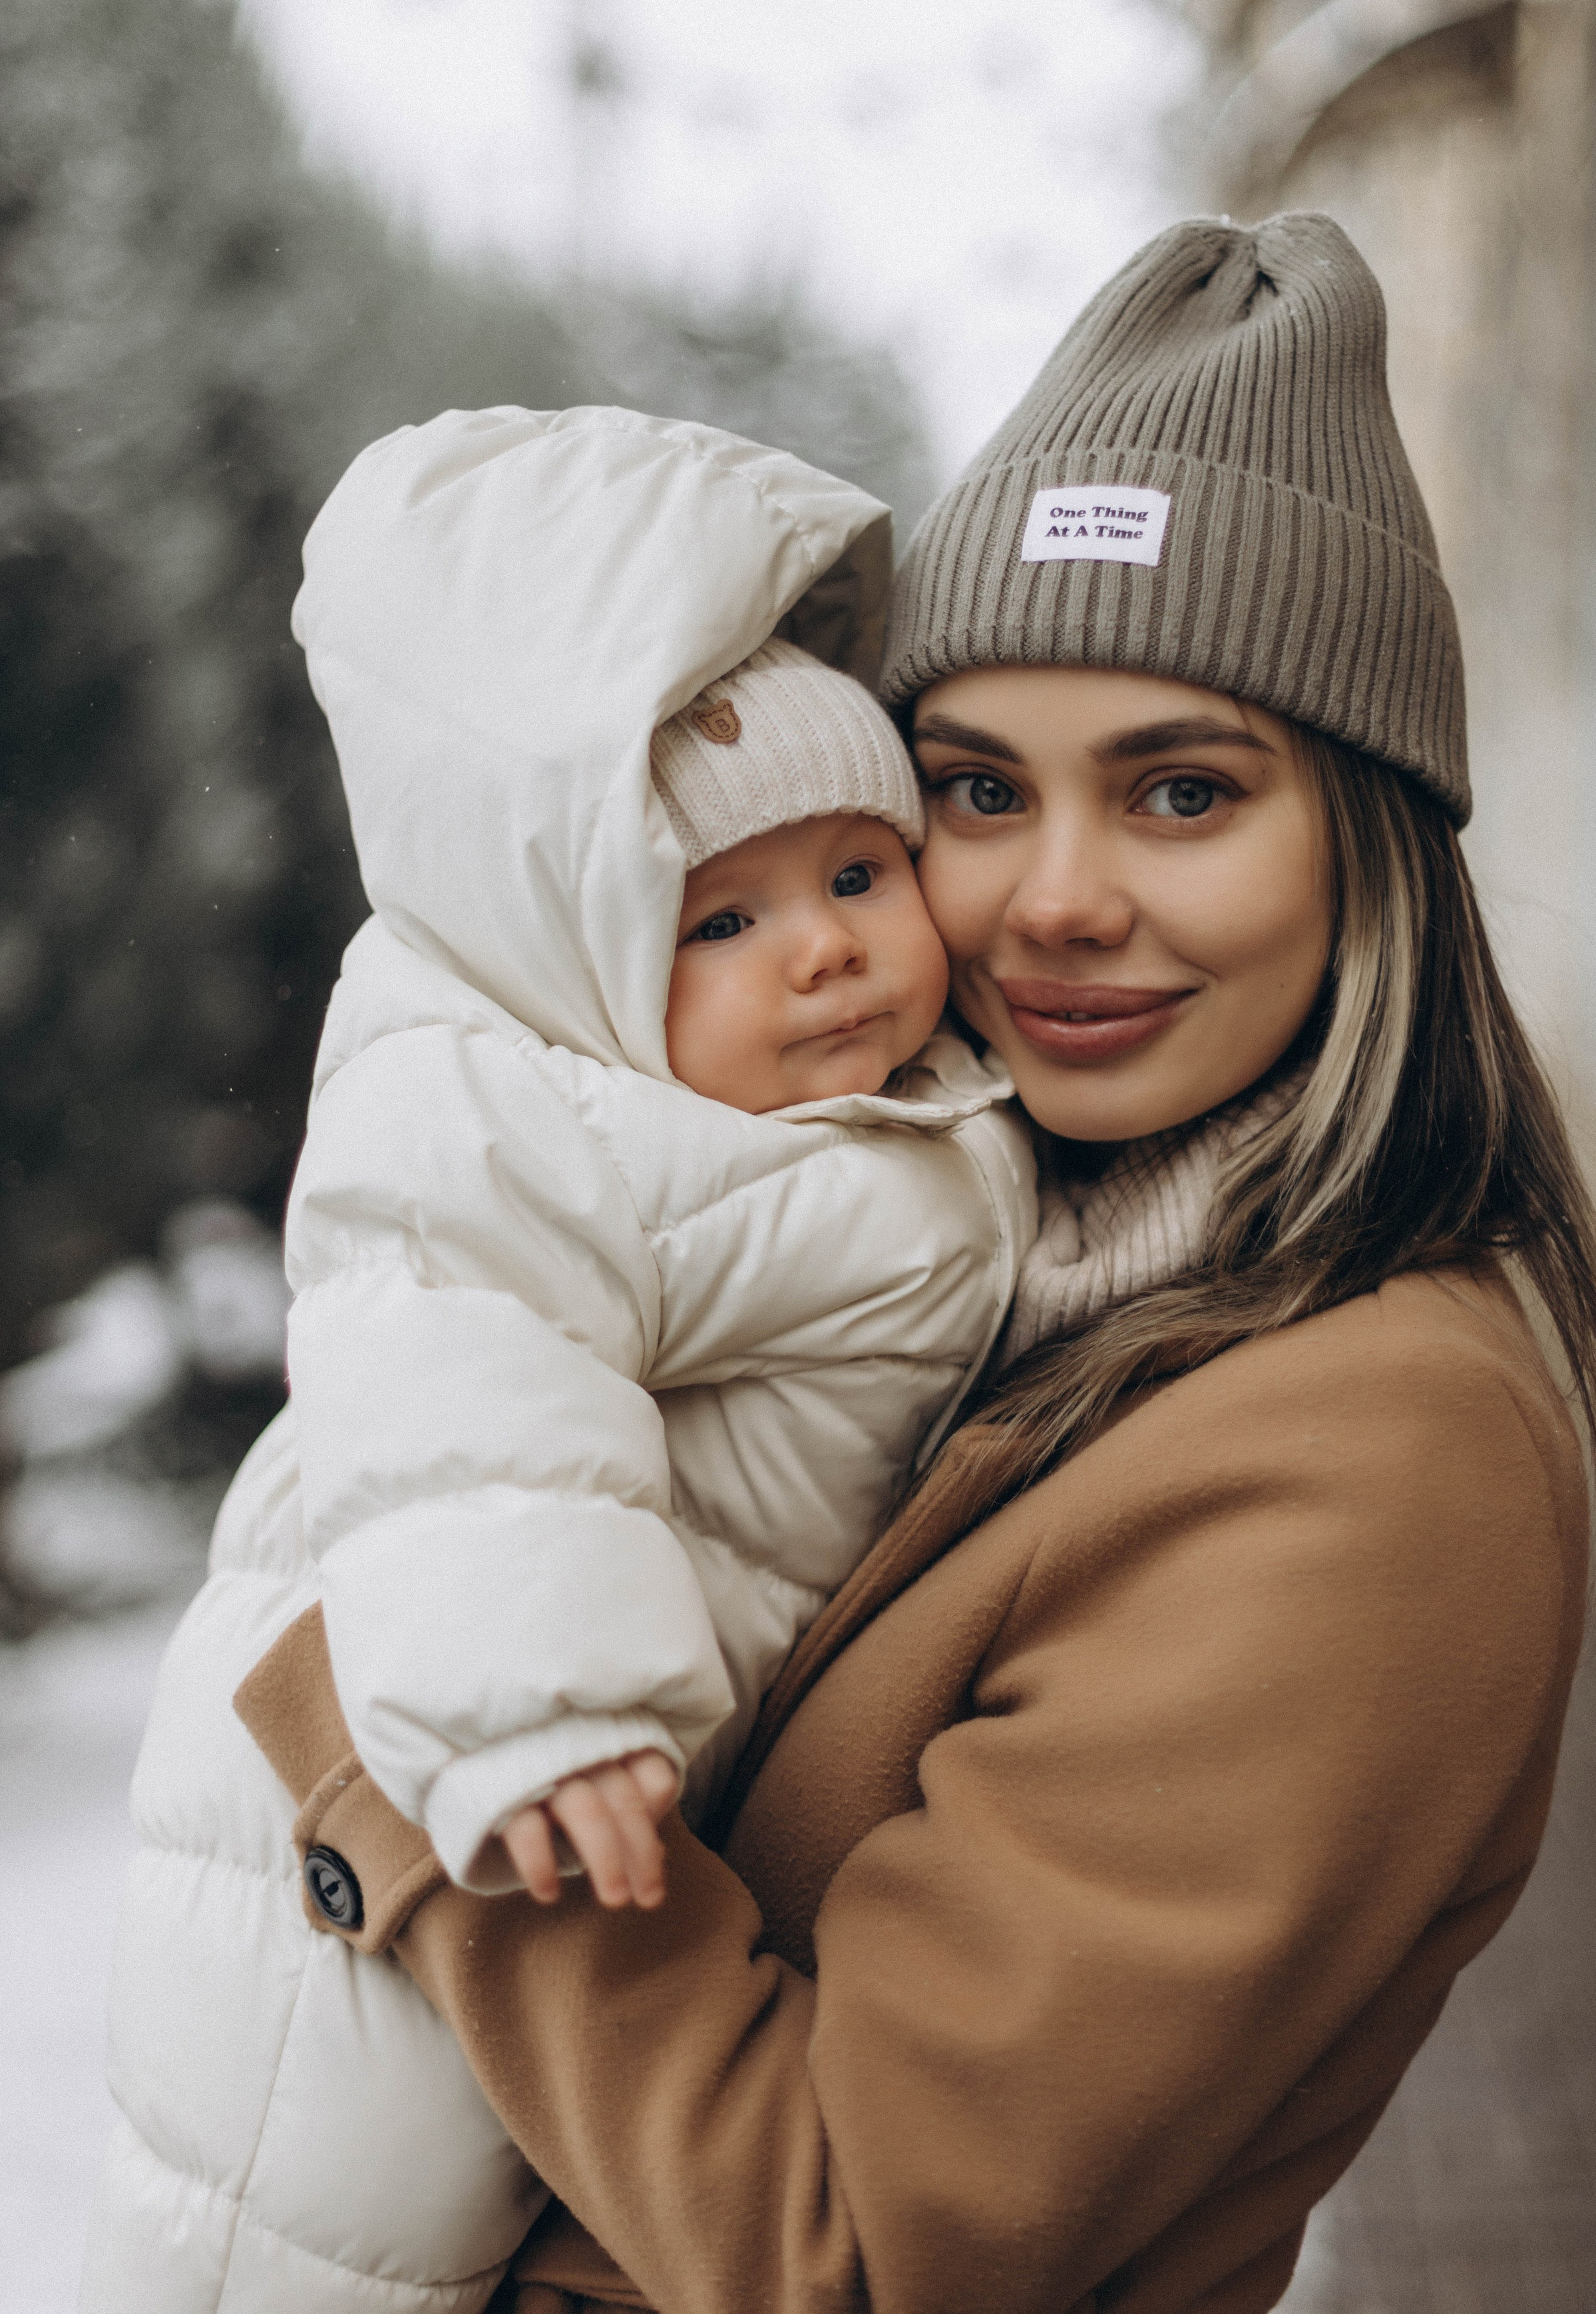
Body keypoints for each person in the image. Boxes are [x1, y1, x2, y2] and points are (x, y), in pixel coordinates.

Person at [220, 215, 1596, 2314]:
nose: (1052, 899)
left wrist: (396, 1717)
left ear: (1373, 851)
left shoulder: (1377, 1445)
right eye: (977, 789)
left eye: (1182, 791)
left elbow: (858, 2241)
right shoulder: (998, 1275)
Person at [80, 409, 1033, 2314]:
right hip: (430, 1782)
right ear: (584, 941)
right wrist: (539, 1708)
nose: (828, 955)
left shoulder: (869, 1102)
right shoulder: (515, 1104)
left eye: (863, 874)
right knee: (303, 2231)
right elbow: (458, 1378)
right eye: (729, 920)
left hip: (572, 1805)